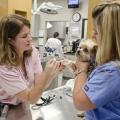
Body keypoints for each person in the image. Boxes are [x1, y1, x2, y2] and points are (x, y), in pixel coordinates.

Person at [0, 14, 61, 120]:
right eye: (24, 36)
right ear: (10, 40)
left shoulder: (32, 52)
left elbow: (39, 85)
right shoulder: (4, 67)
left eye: (29, 34)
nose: (30, 39)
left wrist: (53, 72)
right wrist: (47, 73)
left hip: (24, 106)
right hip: (6, 110)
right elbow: (31, 98)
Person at [73, 0, 120, 120]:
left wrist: (81, 70)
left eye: (96, 32)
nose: (93, 36)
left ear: (111, 37)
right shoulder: (110, 65)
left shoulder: (111, 72)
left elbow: (80, 102)